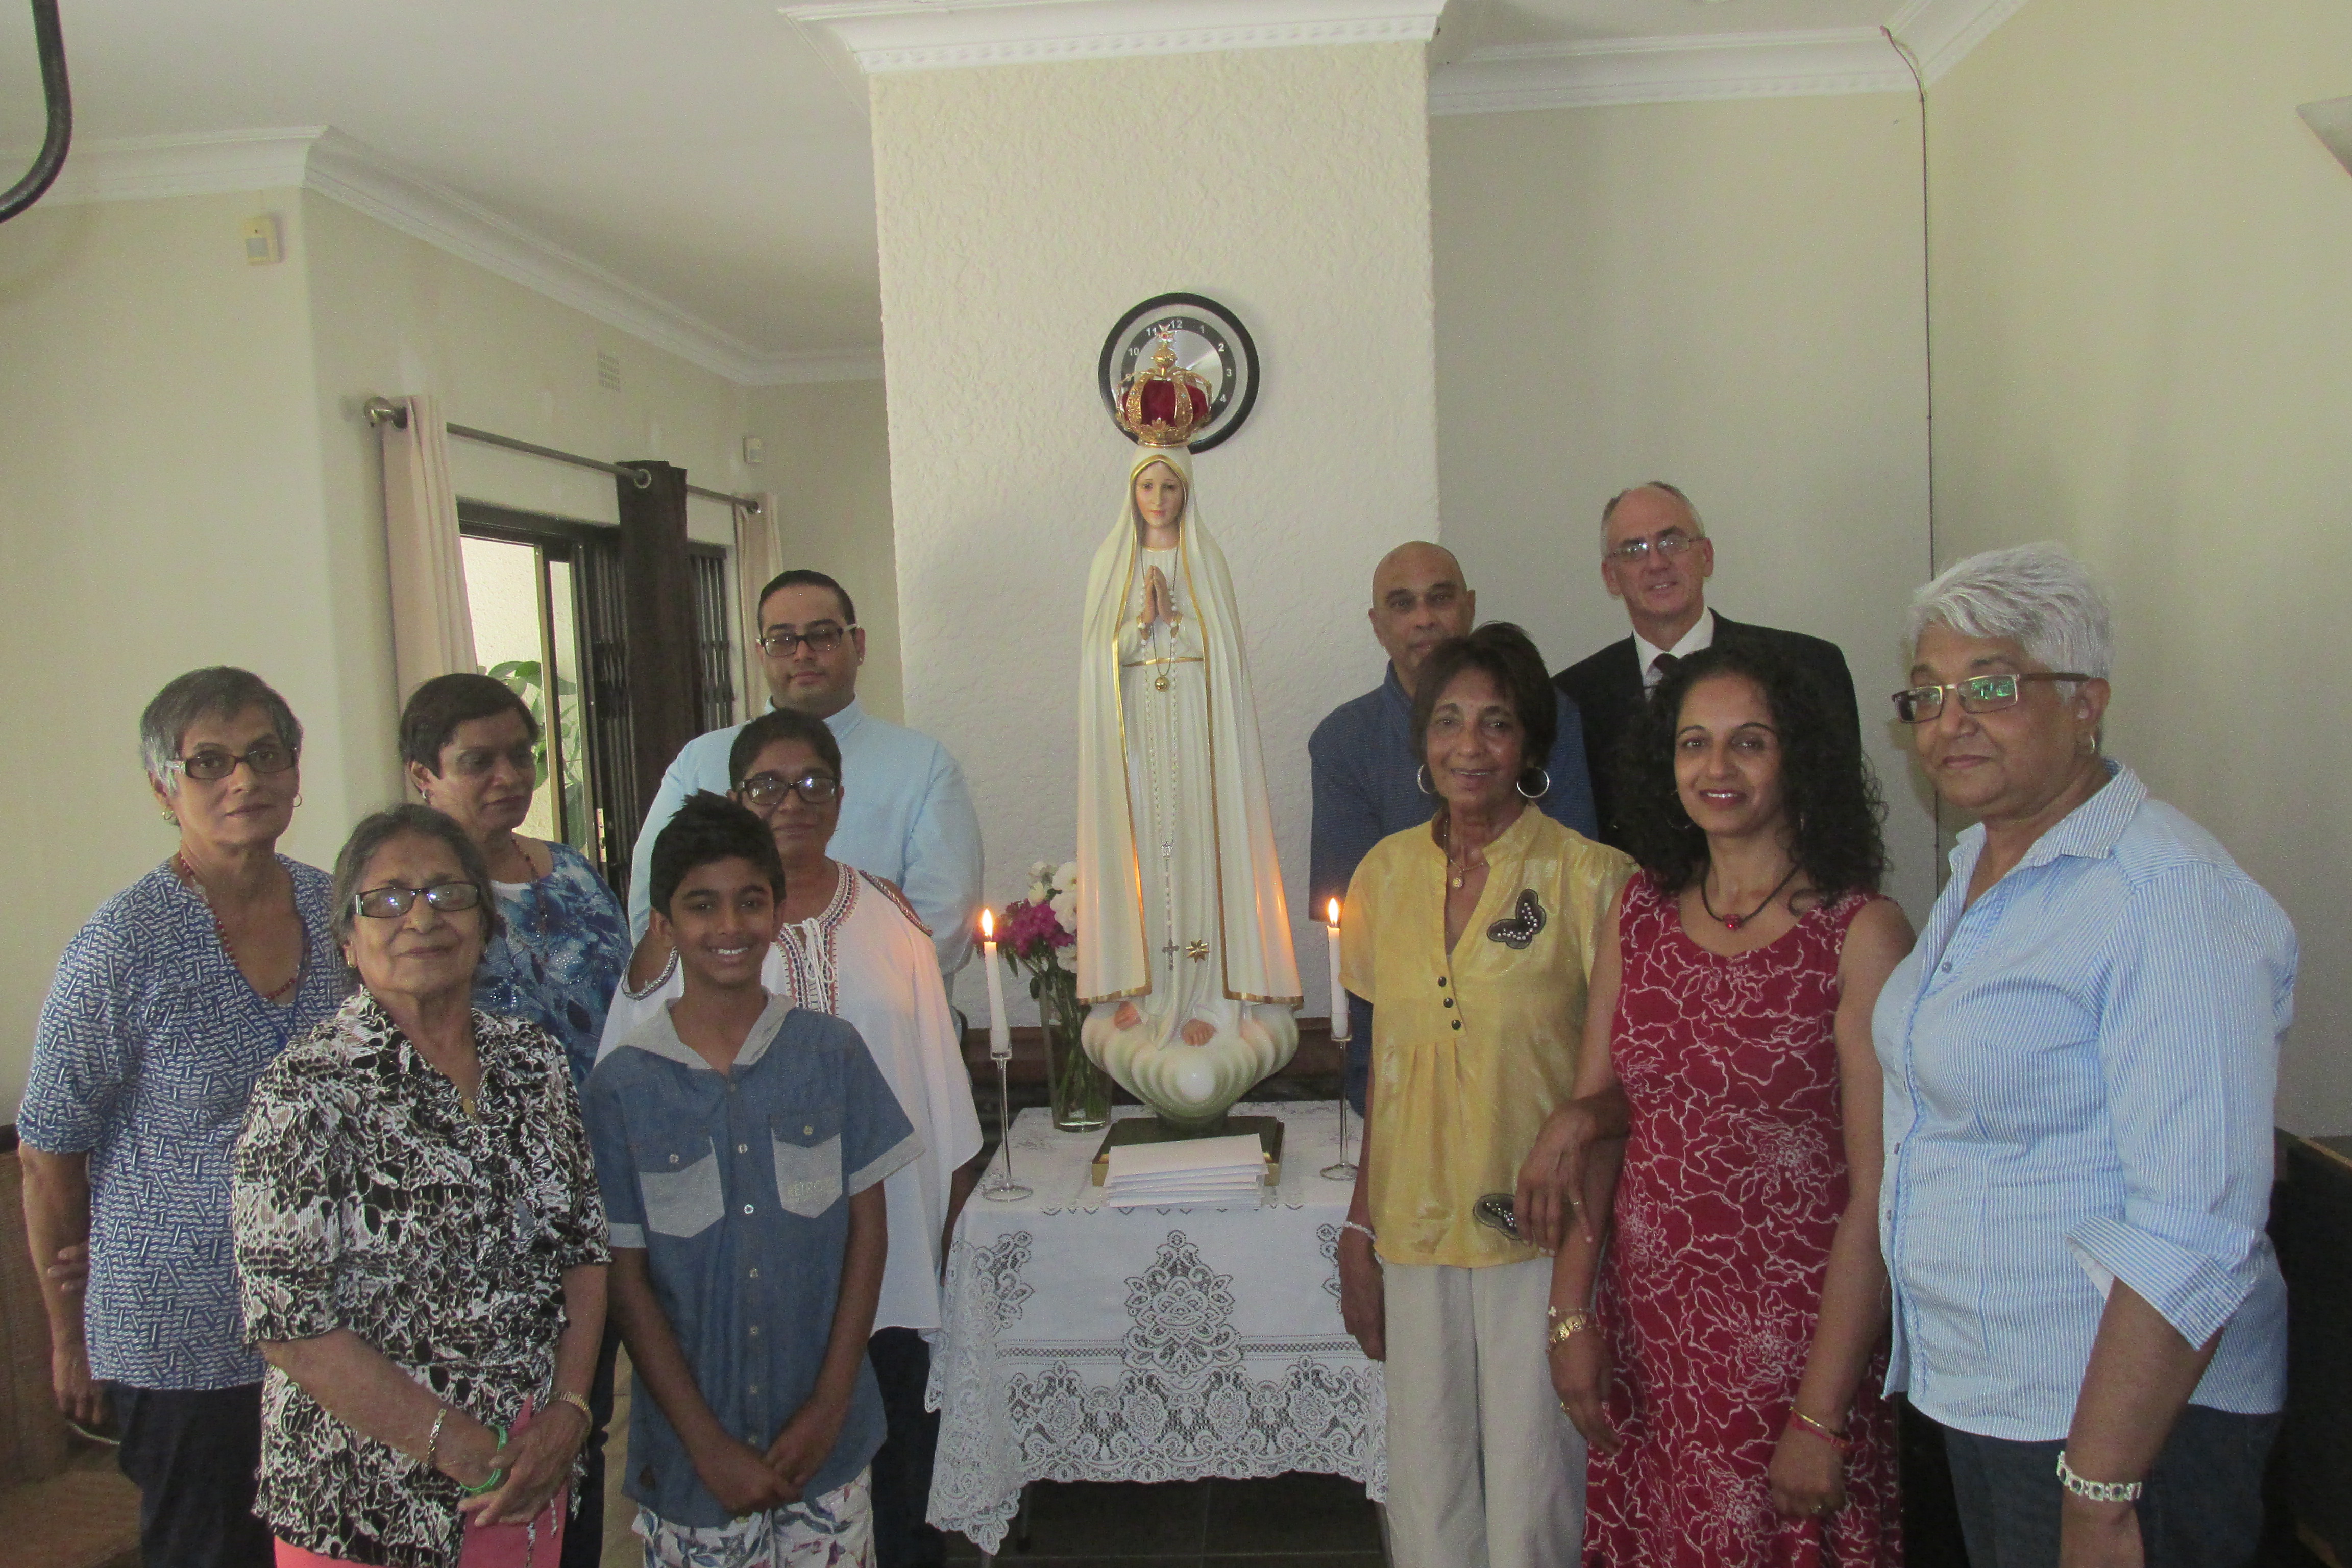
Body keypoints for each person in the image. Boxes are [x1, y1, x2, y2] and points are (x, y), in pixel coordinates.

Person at [1876, 543, 2292, 1568]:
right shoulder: (1983, 862)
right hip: (1996, 1395)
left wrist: (2100, 1489)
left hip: (2127, 1432)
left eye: (1991, 686)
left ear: (2085, 703)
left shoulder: (2161, 893)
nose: (1949, 720)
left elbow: (2194, 1224)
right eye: (1928, 693)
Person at [1536, 644, 1913, 1565]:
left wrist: (1821, 1413)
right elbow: (1599, 1117)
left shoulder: (1859, 932)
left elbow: (1879, 1193)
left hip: (1796, 1345)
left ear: (1798, 759)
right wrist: (1570, 1314)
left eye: (1749, 742)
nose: (1717, 767)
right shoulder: (1638, 910)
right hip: (1652, 1340)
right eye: (1693, 743)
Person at [600, 709, 983, 1568]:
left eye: (813, 783)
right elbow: (628, 1117)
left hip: (883, 1262)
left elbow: (940, 1090)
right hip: (714, 1296)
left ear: (841, 798)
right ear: (737, 795)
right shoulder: (675, 951)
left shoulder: (891, 917)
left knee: (890, 1493)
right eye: (767, 785)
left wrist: (950, 1229)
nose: (793, 801)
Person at [17, 667, 348, 1568]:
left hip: (335, 1319)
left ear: (295, 772)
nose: (243, 779)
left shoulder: (337, 911)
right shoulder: (119, 947)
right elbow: (48, 1154)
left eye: (265, 754)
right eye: (210, 761)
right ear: (164, 790)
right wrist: (67, 1336)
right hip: (182, 1334)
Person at [230, 804, 609, 1566]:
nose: (422, 917)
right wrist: (459, 1446)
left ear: (485, 924)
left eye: (448, 893)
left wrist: (570, 1409)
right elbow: (289, 1324)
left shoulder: (532, 1063)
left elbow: (584, 1248)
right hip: (364, 1503)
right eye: (388, 899)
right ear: (347, 938)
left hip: (528, 1473)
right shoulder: (305, 1090)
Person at [1334, 622, 1634, 1568]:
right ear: (1422, 740)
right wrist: (1359, 1227)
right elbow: (1389, 1071)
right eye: (1449, 721)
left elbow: (1628, 1088)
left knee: (1533, 1501)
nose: (1469, 745)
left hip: (1540, 1238)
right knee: (1427, 1502)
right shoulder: (1383, 876)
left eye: (1496, 723)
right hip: (1413, 1231)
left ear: (1531, 743)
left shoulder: (1594, 881)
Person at [399, 670, 632, 1568]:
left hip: (597, 1193)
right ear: (424, 776)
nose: (507, 776)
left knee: (583, 1425)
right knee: (497, 1445)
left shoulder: (569, 869)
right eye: (478, 761)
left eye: (520, 755)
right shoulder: (418, 900)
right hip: (487, 1218)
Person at [1310, 540, 1598, 1112]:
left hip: (1530, 1054)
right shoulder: (1344, 742)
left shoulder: (1551, 716)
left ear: (1469, 607)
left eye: (1440, 598)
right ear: (1377, 625)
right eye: (1402, 604)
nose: (1424, 618)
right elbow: (1353, 930)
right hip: (1403, 1055)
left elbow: (1578, 898)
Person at [1073, 436, 1300, 1126]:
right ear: (1131, 492)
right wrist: (1141, 628)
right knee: (1145, 860)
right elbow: (1096, 662)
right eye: (1148, 487)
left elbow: (1224, 657)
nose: (1159, 500)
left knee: (1200, 859)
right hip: (1139, 748)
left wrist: (1177, 623)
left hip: (1198, 745)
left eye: (1170, 487)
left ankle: (1207, 1001)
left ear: (1187, 492)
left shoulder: (1207, 560)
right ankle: (1146, 992)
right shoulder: (1111, 562)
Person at [623, 569, 984, 984]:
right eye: (782, 640)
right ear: (760, 654)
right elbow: (653, 906)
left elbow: (945, 919)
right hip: (730, 1008)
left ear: (859, 644)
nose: (802, 654)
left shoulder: (922, 765)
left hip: (885, 1007)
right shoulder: (701, 761)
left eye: (823, 635)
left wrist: (831, 994)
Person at [1553, 482, 1859, 849]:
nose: (1656, 563)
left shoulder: (1807, 667)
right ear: (1611, 576)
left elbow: (1842, 823)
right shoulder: (1571, 698)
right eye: (1634, 550)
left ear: (1707, 556)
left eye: (1672, 542)